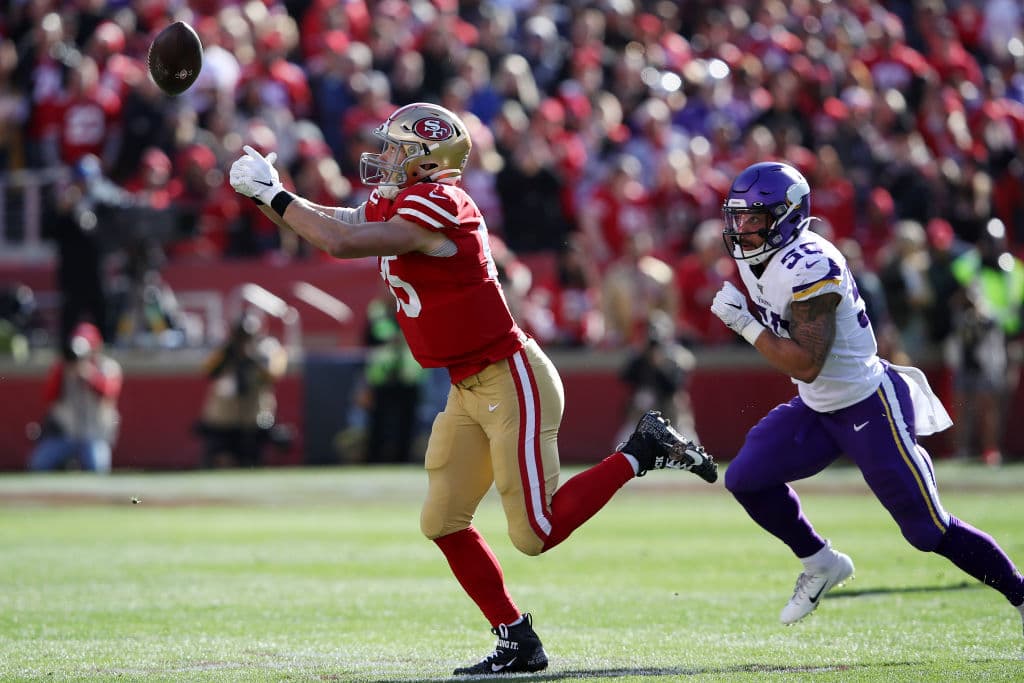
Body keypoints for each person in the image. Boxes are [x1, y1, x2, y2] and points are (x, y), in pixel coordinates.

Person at [227, 102, 718, 675]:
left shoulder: (443, 203)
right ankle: (517, 640)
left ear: (426, 158)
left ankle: (643, 450)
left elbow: (341, 241)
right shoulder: (403, 198)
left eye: (396, 148)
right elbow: (346, 222)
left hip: (511, 379)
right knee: (442, 521)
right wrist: (273, 195)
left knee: (536, 532)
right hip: (467, 386)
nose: (384, 156)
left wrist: (276, 197)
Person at [709, 161, 1024, 634]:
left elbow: (805, 362)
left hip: (865, 404)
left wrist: (744, 324)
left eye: (755, 218)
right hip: (818, 406)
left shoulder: (812, 263)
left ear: (788, 216)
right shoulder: (757, 254)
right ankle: (821, 563)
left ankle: (1020, 594)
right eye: (738, 217)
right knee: (745, 477)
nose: (743, 229)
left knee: (928, 531)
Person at [194, 312, 290, 468]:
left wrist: (253, 359)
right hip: (222, 417)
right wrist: (228, 353)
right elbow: (207, 370)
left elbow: (274, 374)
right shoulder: (224, 350)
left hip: (256, 417)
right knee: (219, 459)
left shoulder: (267, 350)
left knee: (252, 461)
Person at [28, 321, 121, 473]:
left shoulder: (108, 367)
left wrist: (90, 375)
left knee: (98, 467)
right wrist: (60, 371)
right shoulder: (63, 369)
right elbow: (48, 397)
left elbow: (109, 392)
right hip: (67, 435)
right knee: (38, 462)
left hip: (94, 436)